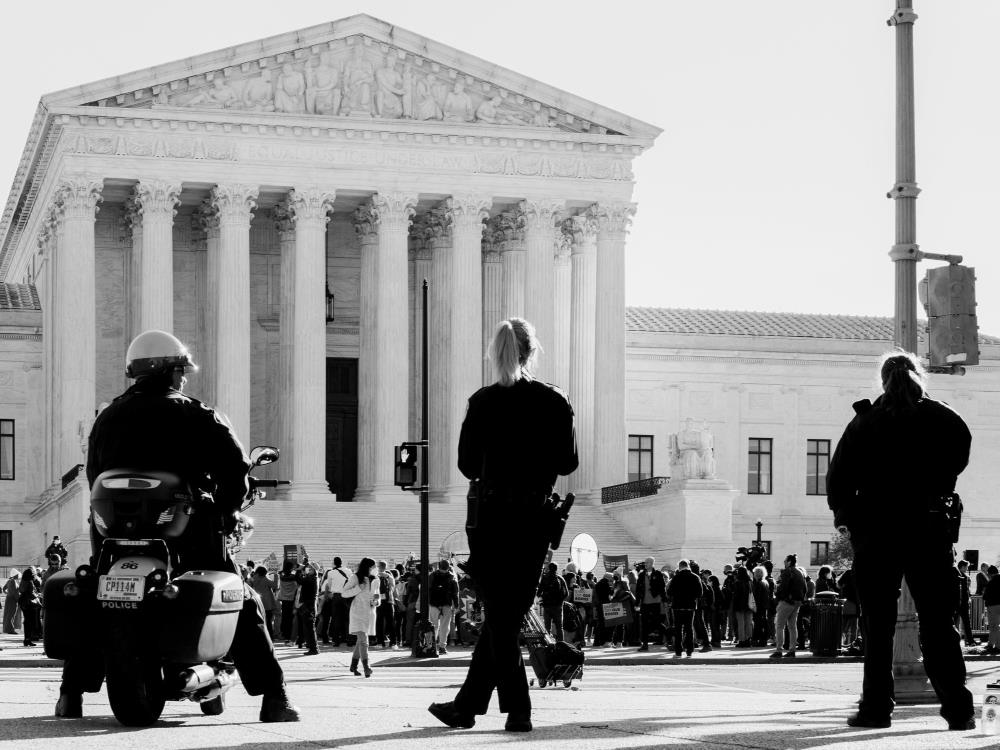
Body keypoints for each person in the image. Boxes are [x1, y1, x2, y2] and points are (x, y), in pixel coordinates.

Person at [55, 330, 299, 722]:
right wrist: (227, 510)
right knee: (241, 598)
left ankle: (70, 694)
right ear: (170, 372)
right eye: (180, 370)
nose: (184, 377)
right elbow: (236, 471)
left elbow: (95, 473)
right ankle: (275, 696)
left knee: (96, 597)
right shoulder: (196, 413)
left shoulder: (108, 417)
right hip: (186, 531)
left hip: (114, 534)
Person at [428, 318, 578, 734]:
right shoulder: (555, 400)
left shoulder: (482, 402)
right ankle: (479, 707)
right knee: (505, 616)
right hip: (533, 520)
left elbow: (465, 465)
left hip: (492, 520)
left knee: (502, 616)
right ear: (533, 352)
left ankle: (503, 707)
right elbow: (568, 463)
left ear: (495, 354)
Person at [826, 350, 975, 731]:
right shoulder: (941, 416)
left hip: (876, 531)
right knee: (939, 625)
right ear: (918, 375)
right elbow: (961, 453)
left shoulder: (865, 421)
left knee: (878, 627)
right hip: (928, 528)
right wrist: (937, 482)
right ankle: (958, 710)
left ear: (882, 380)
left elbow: (839, 476)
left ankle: (876, 709)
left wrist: (848, 518)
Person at [342, 557, 380, 677]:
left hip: (369, 612)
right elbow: (344, 592)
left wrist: (376, 602)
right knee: (364, 640)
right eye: (373, 567)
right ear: (368, 567)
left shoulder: (375, 580)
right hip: (357, 612)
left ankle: (353, 665)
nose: (375, 569)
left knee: (360, 641)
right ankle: (366, 667)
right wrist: (359, 588)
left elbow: (377, 595)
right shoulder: (355, 577)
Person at [770, 554, 806, 659]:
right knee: (792, 627)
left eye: (785, 561)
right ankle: (792, 650)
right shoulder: (800, 572)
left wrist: (779, 595)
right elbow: (805, 589)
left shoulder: (787, 572)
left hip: (787, 602)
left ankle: (778, 650)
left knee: (779, 626)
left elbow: (783, 587)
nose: (784, 563)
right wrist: (799, 600)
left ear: (789, 562)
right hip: (797, 602)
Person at [667, 559, 702, 658]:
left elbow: (669, 592)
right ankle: (689, 651)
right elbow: (700, 593)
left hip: (677, 607)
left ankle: (678, 651)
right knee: (689, 629)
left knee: (678, 629)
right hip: (690, 606)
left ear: (680, 567)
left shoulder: (676, 578)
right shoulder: (695, 577)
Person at [428, 560, 460, 654]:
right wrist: (456, 605)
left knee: (433, 626)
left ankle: (431, 645)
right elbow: (455, 592)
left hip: (434, 604)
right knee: (445, 627)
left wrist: (428, 602)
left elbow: (427, 589)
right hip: (446, 604)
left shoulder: (432, 576)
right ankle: (442, 646)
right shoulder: (452, 576)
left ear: (439, 566)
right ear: (448, 567)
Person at [635, 556, 667, 651]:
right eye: (645, 562)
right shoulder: (641, 575)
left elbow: (662, 588)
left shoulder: (658, 574)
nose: (645, 564)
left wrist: (664, 601)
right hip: (645, 603)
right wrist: (637, 603)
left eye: (648, 562)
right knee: (644, 624)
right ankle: (645, 645)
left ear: (652, 564)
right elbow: (638, 590)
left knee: (657, 623)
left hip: (655, 602)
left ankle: (670, 635)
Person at [320, 557, 350, 646]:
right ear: (341, 563)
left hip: (336, 596)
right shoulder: (348, 571)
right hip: (346, 596)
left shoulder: (331, 573)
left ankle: (336, 640)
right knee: (347, 618)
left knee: (336, 618)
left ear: (334, 563)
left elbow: (329, 585)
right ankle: (348, 638)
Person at [537, 562, 569, 642]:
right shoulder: (560, 578)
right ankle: (561, 645)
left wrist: (543, 597)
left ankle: (547, 644)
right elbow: (566, 593)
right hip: (558, 606)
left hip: (547, 606)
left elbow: (538, 593)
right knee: (559, 627)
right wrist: (560, 601)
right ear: (556, 569)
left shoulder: (545, 578)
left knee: (547, 627)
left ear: (549, 568)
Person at [295, 564, 319, 655]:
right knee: (309, 628)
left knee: (309, 628)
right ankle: (312, 647)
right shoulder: (312, 578)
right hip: (309, 606)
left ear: (314, 570)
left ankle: (314, 648)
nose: (308, 569)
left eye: (310, 568)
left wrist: (299, 570)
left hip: (308, 606)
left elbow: (299, 580)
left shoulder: (311, 579)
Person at [251, 567, 278, 638]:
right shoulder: (265, 579)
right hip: (267, 604)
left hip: (257, 602)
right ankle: (269, 636)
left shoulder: (253, 579)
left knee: (259, 620)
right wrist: (276, 576)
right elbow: (275, 586)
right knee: (268, 621)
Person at [18, 566, 41, 647]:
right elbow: (31, 593)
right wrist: (38, 596)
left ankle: (26, 639)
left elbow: (21, 590)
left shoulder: (23, 581)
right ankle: (28, 639)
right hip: (29, 603)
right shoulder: (30, 582)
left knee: (27, 621)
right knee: (31, 621)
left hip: (23, 602)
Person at [731, 566, 754, 647]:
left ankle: (742, 640)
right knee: (748, 623)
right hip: (749, 605)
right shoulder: (750, 581)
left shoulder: (738, 582)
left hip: (739, 606)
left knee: (741, 623)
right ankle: (748, 639)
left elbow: (736, 596)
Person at [954, 560, 975, 648]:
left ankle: (969, 640)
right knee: (962, 623)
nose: (967, 568)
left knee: (959, 622)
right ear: (962, 567)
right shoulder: (961, 576)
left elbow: (966, 591)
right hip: (959, 603)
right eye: (966, 567)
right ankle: (969, 641)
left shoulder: (965, 576)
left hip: (960, 603)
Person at [982, 566, 1000, 656]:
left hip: (993, 606)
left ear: (990, 574)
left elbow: (985, 596)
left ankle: (997, 646)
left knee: (994, 626)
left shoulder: (991, 582)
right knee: (996, 626)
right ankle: (991, 643)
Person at [3, 569, 21, 634]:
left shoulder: (9, 580)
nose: (18, 575)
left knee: (8, 615)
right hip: (12, 600)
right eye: (18, 574)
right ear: (15, 575)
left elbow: (4, 589)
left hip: (9, 599)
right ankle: (11, 630)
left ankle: (7, 629)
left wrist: (7, 593)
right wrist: (19, 599)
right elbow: (15, 592)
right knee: (11, 615)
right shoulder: (13, 581)